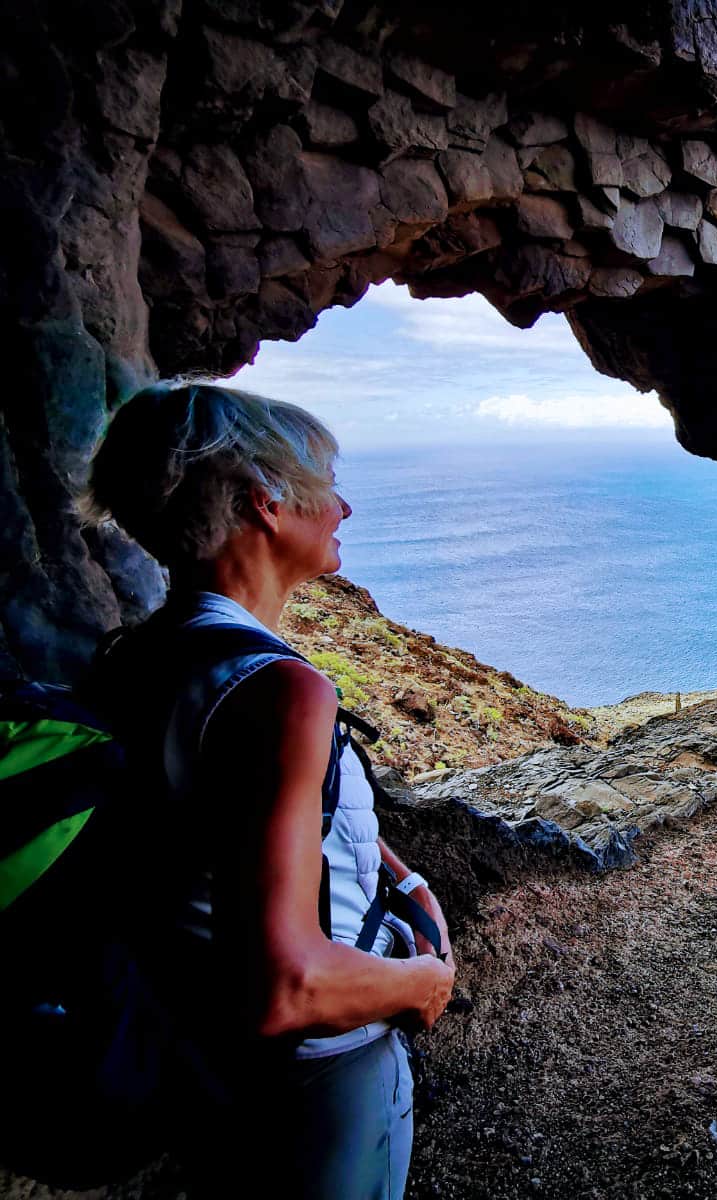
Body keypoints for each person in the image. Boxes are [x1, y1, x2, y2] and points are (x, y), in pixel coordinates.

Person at [79, 382, 455, 1199]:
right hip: (315, 1076)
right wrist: (421, 984)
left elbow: (232, 825)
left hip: (194, 1038)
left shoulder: (137, 656)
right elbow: (289, 989)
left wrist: (401, 876)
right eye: (325, 487)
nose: (343, 508)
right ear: (267, 503)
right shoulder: (278, 690)